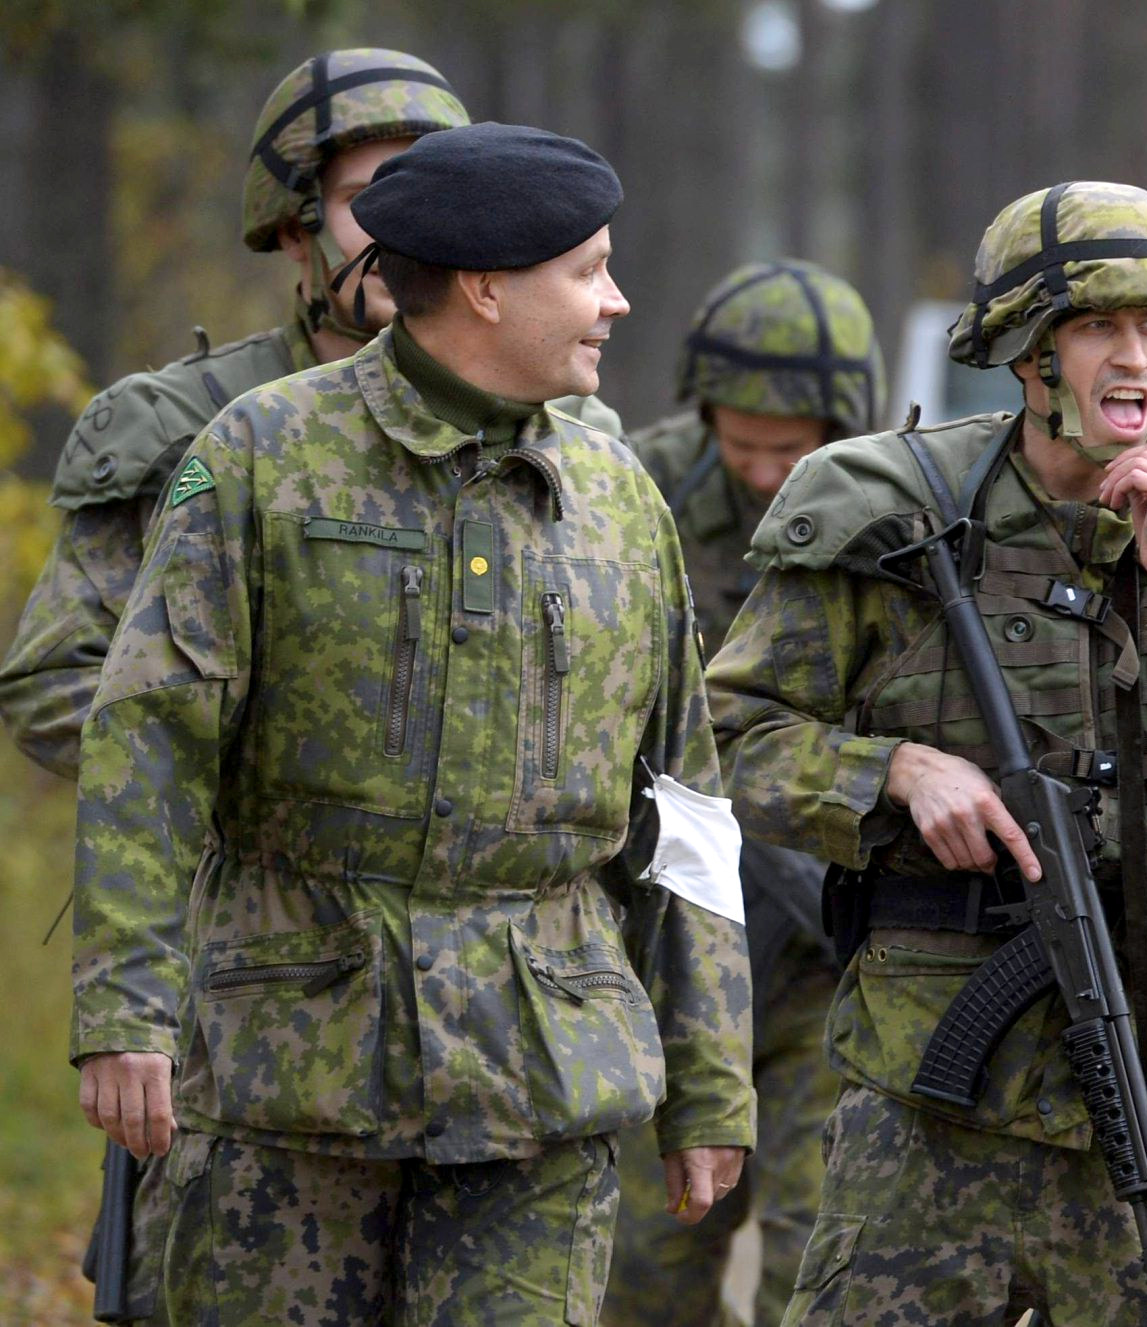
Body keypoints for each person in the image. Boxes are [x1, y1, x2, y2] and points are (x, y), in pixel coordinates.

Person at [69, 121, 756, 1324]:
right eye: (589, 270)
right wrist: (124, 1007)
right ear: (486, 287)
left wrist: (710, 1083)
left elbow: (686, 809)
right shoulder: (262, 460)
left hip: (542, 1081)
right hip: (292, 1073)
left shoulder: (619, 502)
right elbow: (149, 740)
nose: (619, 301)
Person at [702, 180, 1147, 1326]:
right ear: (1026, 351)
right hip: (923, 1094)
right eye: (1096, 325)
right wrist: (891, 776)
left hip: (1146, 1081)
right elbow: (730, 739)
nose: (1134, 357)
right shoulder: (887, 512)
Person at [0, 48, 620, 784]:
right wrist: (283, 785)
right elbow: (57, 681)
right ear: (294, 228)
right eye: (368, 200)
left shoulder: (571, 429)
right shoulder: (181, 423)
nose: (408, 229)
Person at [604, 258, 882, 1327]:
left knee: (821, 1262)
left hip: (827, 959)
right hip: (664, 948)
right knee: (646, 1262)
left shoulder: (890, 517)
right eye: (744, 445)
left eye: (792, 449)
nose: (768, 475)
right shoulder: (634, 494)